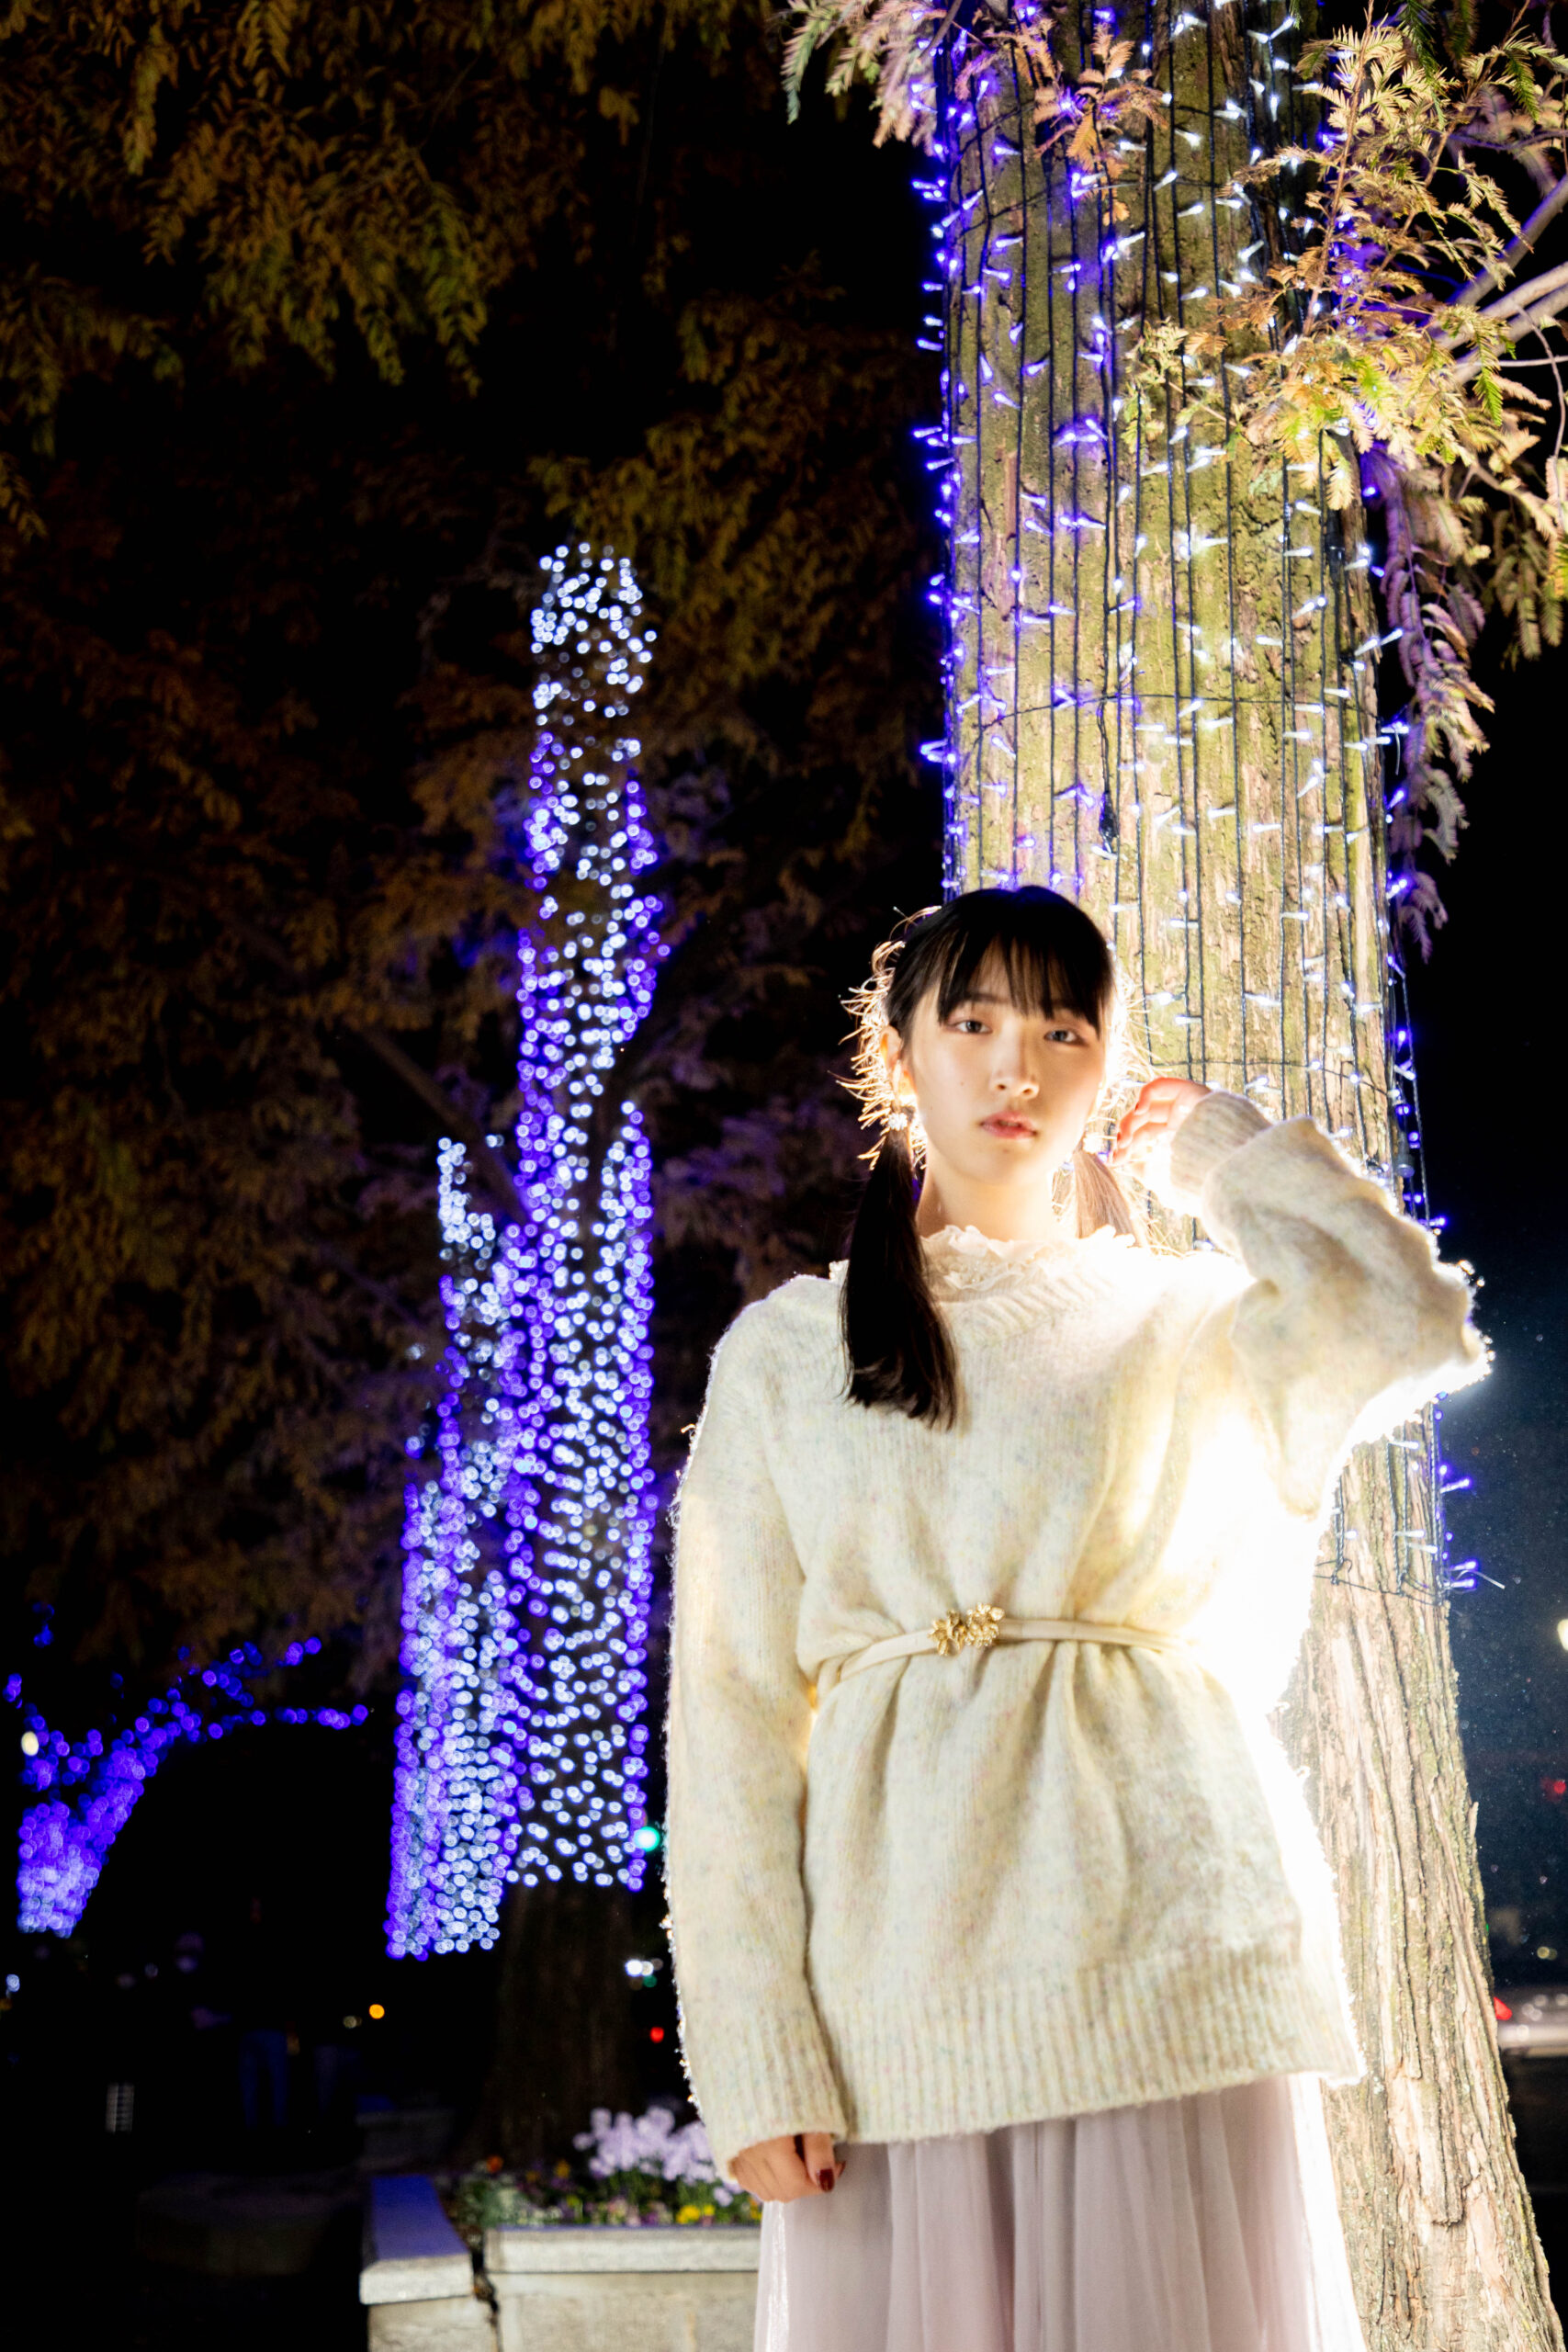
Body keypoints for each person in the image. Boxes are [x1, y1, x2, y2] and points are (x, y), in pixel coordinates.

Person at [663, 886, 1485, 2352]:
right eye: (974, 1022)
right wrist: (753, 2054)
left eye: (1063, 1030)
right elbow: (728, 1726)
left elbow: (1405, 1317)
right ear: (899, 1055)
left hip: (1172, 1946)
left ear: (1108, 1067)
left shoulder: (1186, 1319)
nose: (1017, 1067)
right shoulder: (787, 1353)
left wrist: (1216, 1151)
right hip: (902, 1976)